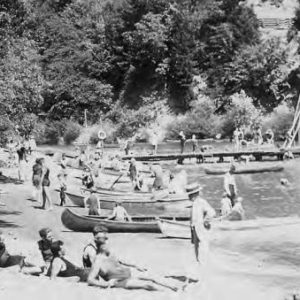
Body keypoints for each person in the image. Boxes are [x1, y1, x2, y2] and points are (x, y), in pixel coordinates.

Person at [87, 226, 180, 291]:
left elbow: (121, 260)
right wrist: (106, 284)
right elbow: (90, 280)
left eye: (106, 238)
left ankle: (175, 287)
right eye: (104, 239)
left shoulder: (109, 252)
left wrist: (136, 265)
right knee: (148, 285)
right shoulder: (98, 260)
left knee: (152, 277)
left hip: (127, 273)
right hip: (120, 281)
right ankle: (165, 293)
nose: (107, 241)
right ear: (98, 242)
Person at [188, 184, 216, 264]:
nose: (188, 197)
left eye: (190, 195)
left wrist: (206, 221)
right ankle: (199, 264)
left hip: (201, 229)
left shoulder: (201, 202)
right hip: (195, 229)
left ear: (194, 194)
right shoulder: (194, 203)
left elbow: (212, 212)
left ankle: (205, 266)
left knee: (203, 248)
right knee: (196, 249)